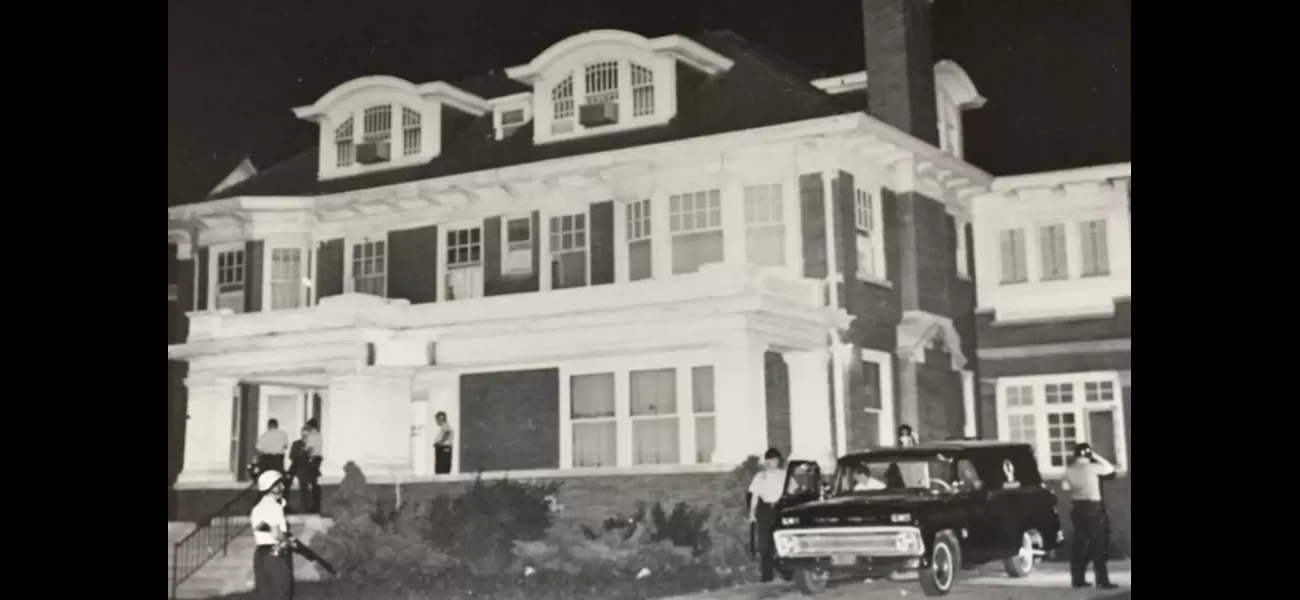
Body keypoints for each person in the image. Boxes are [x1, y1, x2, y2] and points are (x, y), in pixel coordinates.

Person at [1062, 443, 1119, 590]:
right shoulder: (1092, 468)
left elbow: (1065, 486)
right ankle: (1102, 580)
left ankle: (1078, 579)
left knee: (1079, 544)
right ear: (1088, 455)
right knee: (1098, 545)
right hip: (1093, 508)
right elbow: (1110, 469)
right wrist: (1095, 455)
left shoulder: (1069, 470)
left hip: (1077, 508)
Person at [250, 470, 294, 600]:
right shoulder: (275, 507)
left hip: (260, 554)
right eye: (280, 484)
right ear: (272, 487)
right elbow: (276, 533)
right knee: (281, 592)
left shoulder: (257, 508)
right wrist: (290, 541)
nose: (283, 487)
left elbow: (258, 528)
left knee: (265, 594)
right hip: (276, 553)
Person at [748, 448, 786, 583]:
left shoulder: (785, 475)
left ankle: (787, 572)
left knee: (782, 541)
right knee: (765, 544)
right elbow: (754, 496)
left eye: (774, 460)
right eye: (769, 460)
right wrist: (752, 513)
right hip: (764, 510)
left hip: (780, 509)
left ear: (778, 461)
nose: (771, 463)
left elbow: (794, 492)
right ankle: (767, 576)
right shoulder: (760, 476)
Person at [301, 419, 323, 514]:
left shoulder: (311, 436)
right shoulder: (319, 435)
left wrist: (307, 458)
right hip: (318, 459)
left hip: (312, 459)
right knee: (315, 482)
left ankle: (312, 506)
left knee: (309, 483)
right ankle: (317, 504)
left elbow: (310, 449)